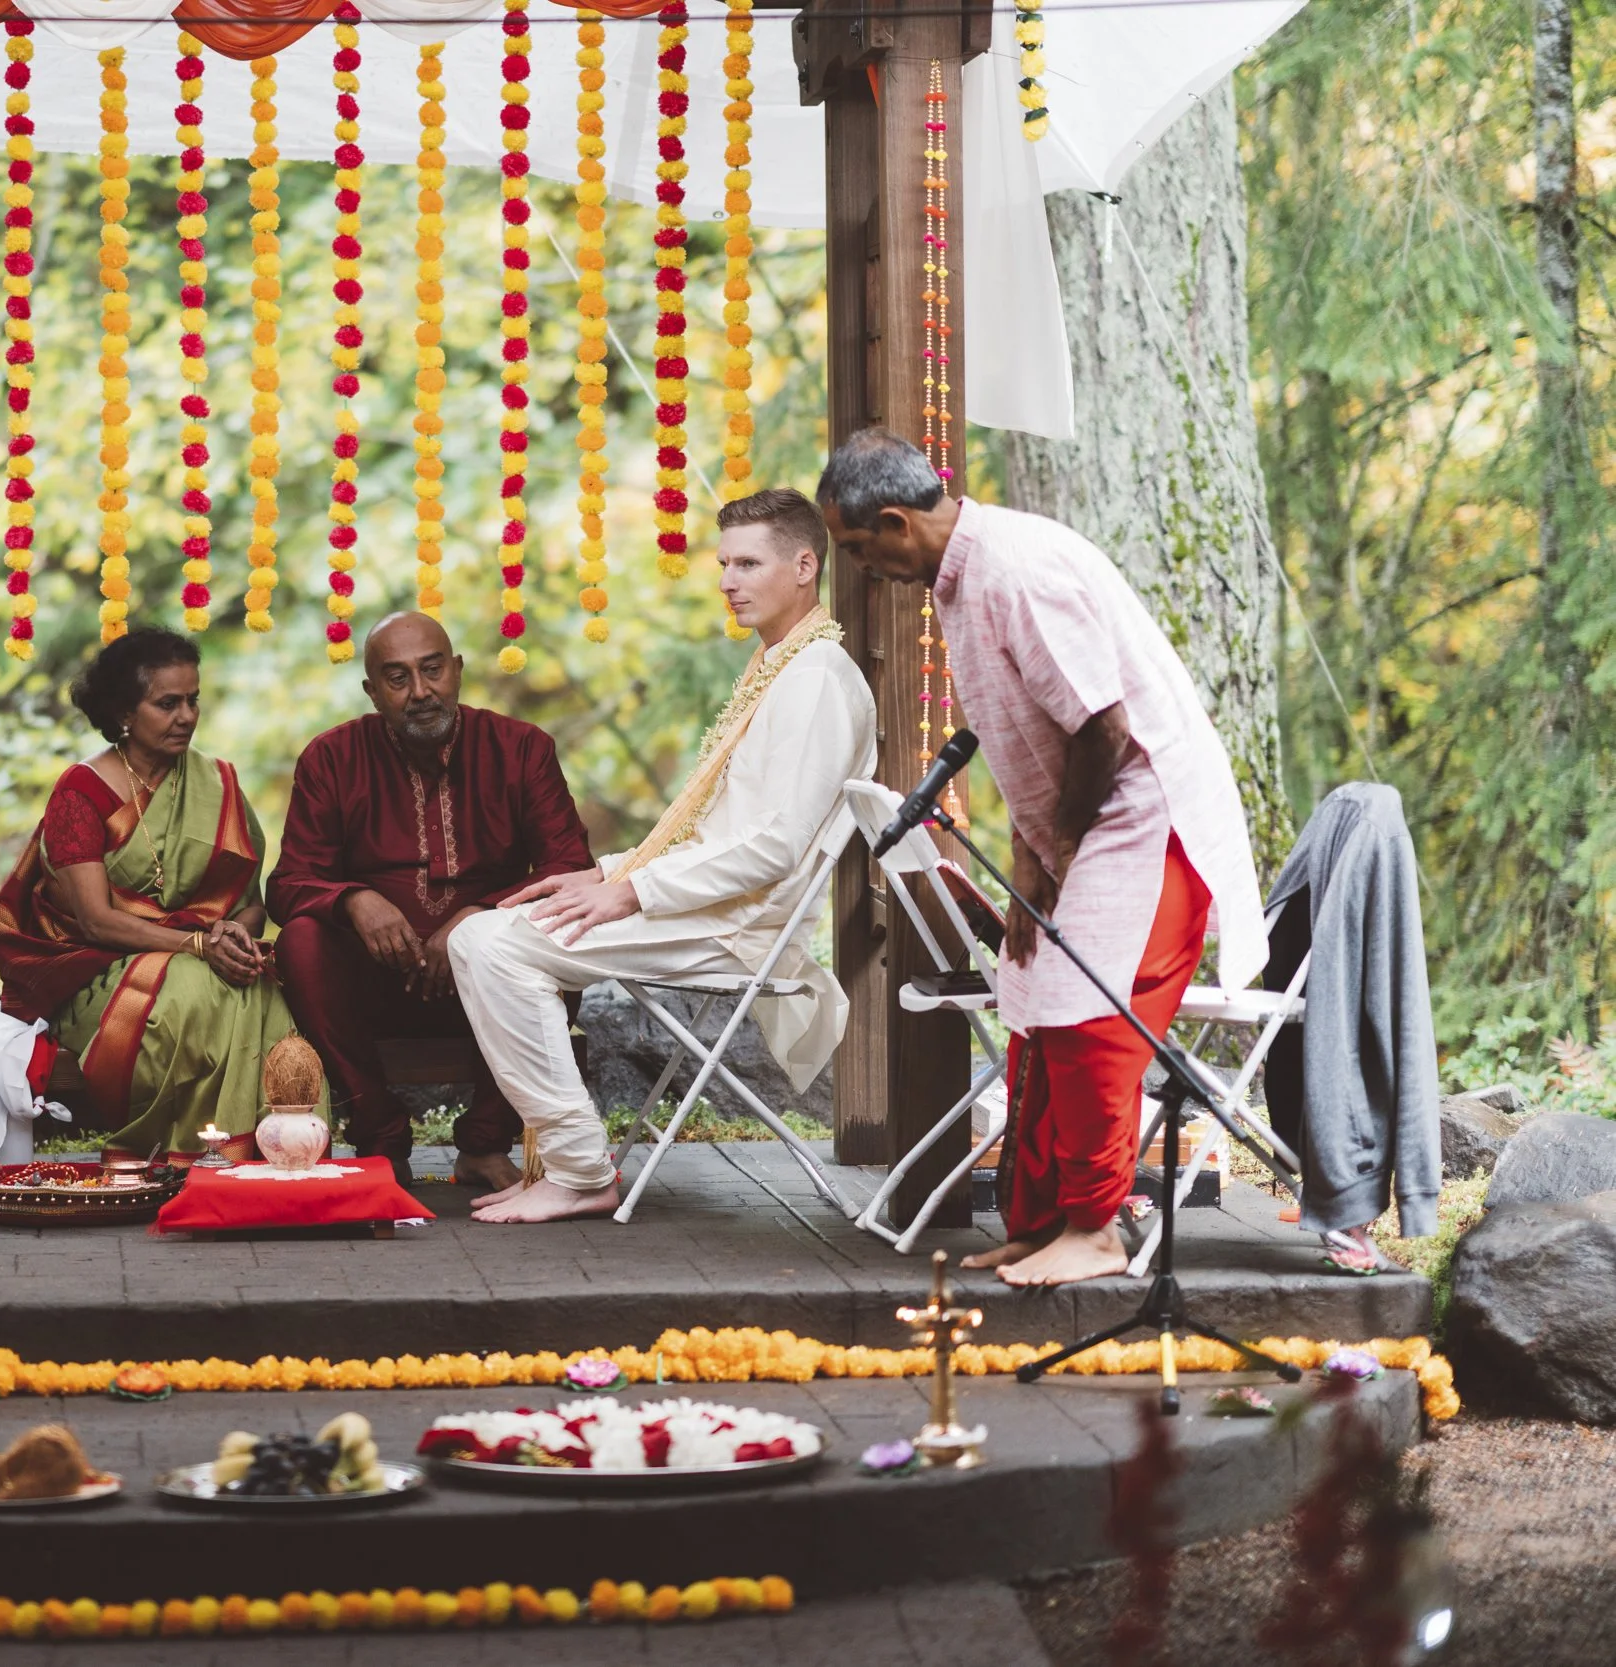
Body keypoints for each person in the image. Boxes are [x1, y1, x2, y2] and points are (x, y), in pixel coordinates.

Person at [816, 428, 1267, 1288]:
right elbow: (1027, 729)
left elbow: (1103, 727)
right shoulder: (959, 574)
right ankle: (1043, 1221)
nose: (859, 566)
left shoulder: (1018, 569)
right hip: (1077, 816)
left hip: (1143, 813)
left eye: (855, 546)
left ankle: (1098, 1229)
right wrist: (1031, 876)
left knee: (1088, 1015)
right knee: (1028, 998)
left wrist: (1059, 852)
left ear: (898, 521)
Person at [449, 489, 878, 1223]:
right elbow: (720, 830)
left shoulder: (815, 680)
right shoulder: (778, 666)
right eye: (723, 564)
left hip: (738, 925)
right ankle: (576, 1160)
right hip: (702, 904)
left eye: (748, 563)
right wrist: (609, 871)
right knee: (487, 931)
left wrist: (631, 892)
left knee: (488, 944)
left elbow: (772, 849)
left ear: (805, 566)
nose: (726, 581)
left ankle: (581, 1168)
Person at [266, 612, 595, 1188]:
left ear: (458, 671)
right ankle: (381, 1140)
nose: (420, 692)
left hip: (489, 982)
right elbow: (289, 883)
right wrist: (352, 900)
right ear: (372, 692)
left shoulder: (521, 749)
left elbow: (569, 869)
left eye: (432, 670)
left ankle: (484, 1143)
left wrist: (481, 919)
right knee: (301, 941)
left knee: (561, 938)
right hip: (374, 984)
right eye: (397, 678)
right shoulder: (332, 758)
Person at [0, 628, 309, 1162]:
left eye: (193, 700)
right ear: (123, 712)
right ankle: (191, 1157)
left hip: (202, 959)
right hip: (98, 970)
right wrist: (198, 946)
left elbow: (250, 901)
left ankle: (271, 1156)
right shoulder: (81, 793)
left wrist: (233, 933)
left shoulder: (218, 783)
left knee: (258, 989)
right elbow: (95, 921)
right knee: (192, 989)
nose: (186, 716)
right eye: (167, 704)